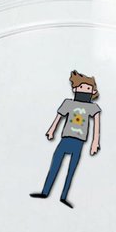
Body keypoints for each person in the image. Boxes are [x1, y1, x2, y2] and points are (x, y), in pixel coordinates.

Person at [30, 70, 101, 208]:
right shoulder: (68, 103)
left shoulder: (93, 107)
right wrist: (51, 130)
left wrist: (95, 142)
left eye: (88, 88)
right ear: (75, 89)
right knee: (54, 166)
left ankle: (64, 196)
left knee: (71, 170)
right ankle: (45, 192)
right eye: (81, 87)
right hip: (65, 139)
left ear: (93, 91)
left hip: (79, 142)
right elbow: (58, 118)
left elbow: (96, 126)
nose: (84, 90)